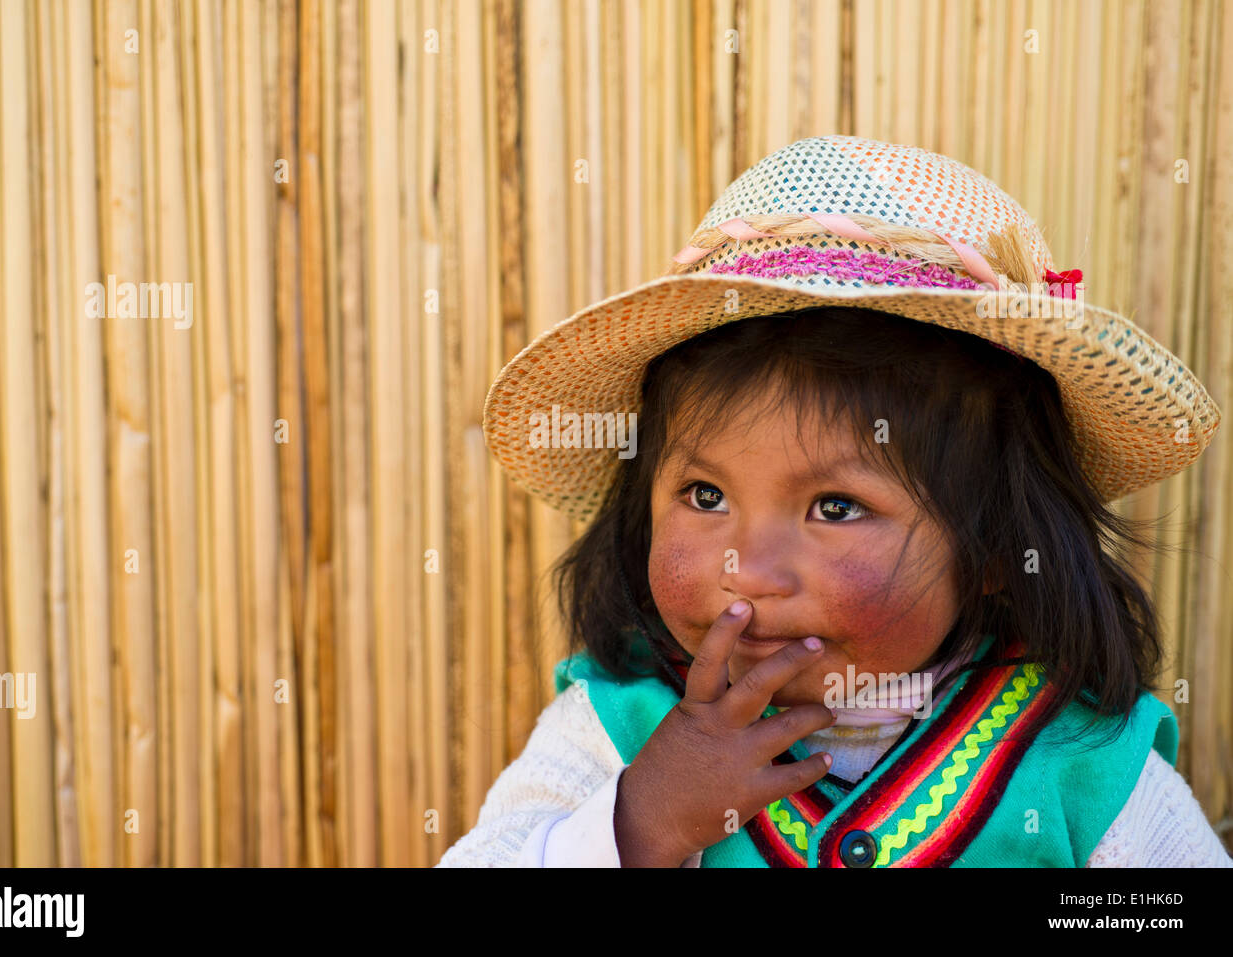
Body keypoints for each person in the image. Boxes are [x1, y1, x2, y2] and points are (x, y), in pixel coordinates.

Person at [438, 135, 1232, 867]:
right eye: (705, 494)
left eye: (836, 508)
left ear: (994, 546)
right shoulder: (617, 733)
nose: (746, 570)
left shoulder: (1078, 759)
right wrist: (640, 823)